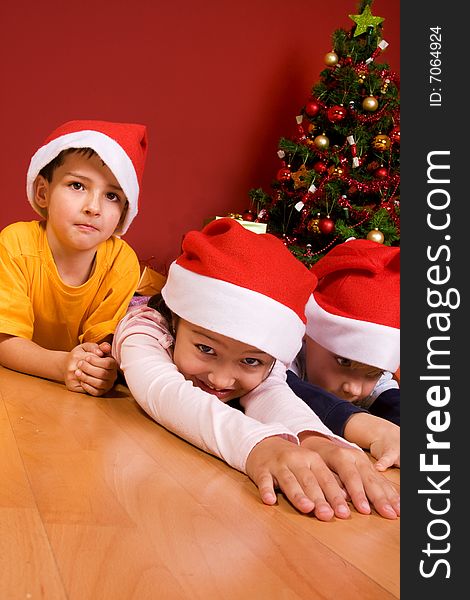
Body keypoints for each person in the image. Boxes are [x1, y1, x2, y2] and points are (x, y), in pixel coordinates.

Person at [112, 218, 399, 521]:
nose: (220, 379)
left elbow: (272, 392)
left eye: (250, 361)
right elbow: (164, 392)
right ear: (175, 318)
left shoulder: (267, 362)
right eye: (206, 349)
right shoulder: (142, 328)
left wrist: (316, 439)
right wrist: (257, 445)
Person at [0, 119, 148, 396]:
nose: (93, 207)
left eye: (112, 196)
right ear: (43, 192)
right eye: (77, 185)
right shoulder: (14, 244)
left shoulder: (122, 262)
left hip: (70, 397)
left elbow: (101, 346)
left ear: (124, 214)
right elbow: (4, 341)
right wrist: (63, 365)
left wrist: (97, 370)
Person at [287, 239, 400, 470]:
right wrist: (366, 426)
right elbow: (280, 388)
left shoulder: (370, 380)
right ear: (309, 333)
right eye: (344, 361)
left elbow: (388, 397)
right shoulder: (288, 351)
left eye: (374, 372)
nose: (355, 389)